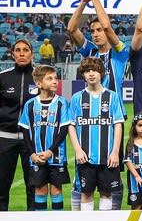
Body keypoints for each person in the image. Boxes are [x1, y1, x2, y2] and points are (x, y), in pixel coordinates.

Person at [67, 0, 129, 211]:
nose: (95, 34)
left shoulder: (119, 53)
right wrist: (84, 2)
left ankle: (111, 218)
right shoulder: (89, 52)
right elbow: (71, 29)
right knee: (85, 179)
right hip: (89, 122)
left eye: (99, 29)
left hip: (113, 120)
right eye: (92, 30)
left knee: (110, 175)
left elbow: (110, 28)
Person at [68, 57, 126, 211]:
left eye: (94, 70)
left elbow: (118, 125)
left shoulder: (112, 96)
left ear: (102, 73)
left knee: (106, 193)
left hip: (107, 156)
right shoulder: (77, 98)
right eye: (87, 71)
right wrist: (78, 150)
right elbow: (71, 126)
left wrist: (115, 153)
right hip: (85, 156)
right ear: (83, 75)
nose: (91, 74)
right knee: (86, 193)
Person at [18, 65, 70, 211]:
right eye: (49, 78)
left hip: (56, 157)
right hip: (36, 157)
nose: (55, 81)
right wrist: (32, 154)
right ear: (38, 83)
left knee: (56, 190)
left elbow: (63, 130)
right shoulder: (30, 104)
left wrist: (50, 151)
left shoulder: (62, 103)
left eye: (55, 78)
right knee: (40, 190)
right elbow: (26, 131)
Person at [0, 39, 36, 210]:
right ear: (13, 54)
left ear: (32, 53)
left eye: (26, 50)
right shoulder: (3, 77)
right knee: (1, 185)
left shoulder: (41, 76)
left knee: (33, 186)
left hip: (32, 141)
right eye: (18, 50)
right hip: (5, 138)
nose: (22, 53)